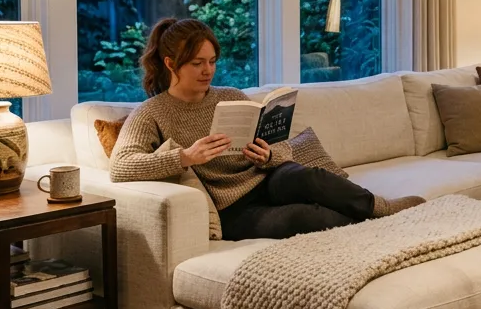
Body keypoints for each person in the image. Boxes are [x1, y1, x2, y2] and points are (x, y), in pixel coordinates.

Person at [109, 18, 423, 240]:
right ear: (170, 63)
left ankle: (381, 208)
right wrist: (185, 157)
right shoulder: (151, 112)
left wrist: (268, 154)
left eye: (212, 61)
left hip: (266, 178)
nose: (208, 70)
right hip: (232, 208)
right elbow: (121, 167)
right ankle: (377, 231)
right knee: (308, 217)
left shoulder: (231, 96)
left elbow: (281, 145)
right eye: (197, 63)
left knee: (308, 177)